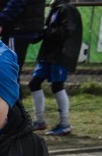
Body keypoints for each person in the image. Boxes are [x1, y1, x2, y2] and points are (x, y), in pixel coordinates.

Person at [28, 0, 82, 136]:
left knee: (57, 85)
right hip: (48, 54)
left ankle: (65, 124)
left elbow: (66, 31)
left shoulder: (68, 9)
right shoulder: (55, 8)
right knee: (34, 83)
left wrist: (46, 31)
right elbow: (47, 28)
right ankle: (39, 121)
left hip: (60, 54)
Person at [0, 0, 45, 72]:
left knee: (10, 66)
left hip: (17, 29)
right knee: (12, 64)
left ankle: (10, 82)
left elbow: (16, 3)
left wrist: (0, 23)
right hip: (24, 27)